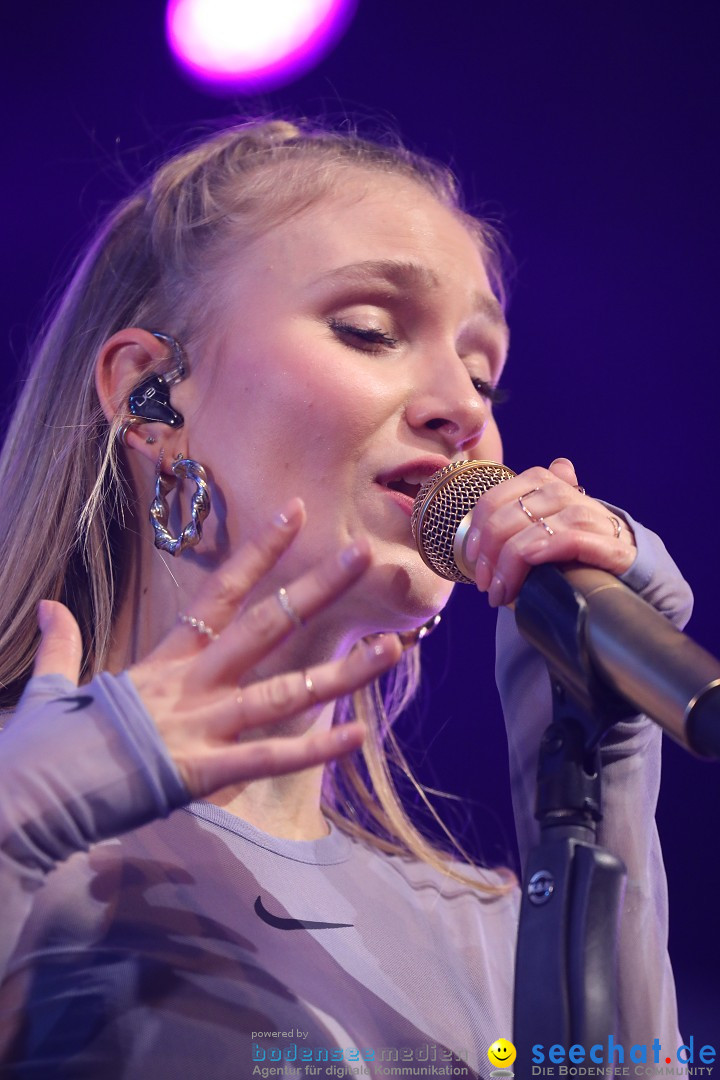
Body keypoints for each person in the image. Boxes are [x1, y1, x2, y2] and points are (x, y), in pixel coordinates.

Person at [0, 119, 691, 1078]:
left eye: (484, 370)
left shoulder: (489, 935)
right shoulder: (26, 826)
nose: (465, 406)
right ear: (153, 397)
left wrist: (597, 753)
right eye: (368, 330)